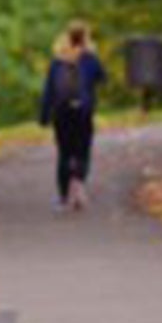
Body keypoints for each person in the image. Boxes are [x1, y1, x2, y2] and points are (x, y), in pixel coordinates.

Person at [38, 21, 106, 210]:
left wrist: (44, 116)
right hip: (83, 111)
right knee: (82, 150)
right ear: (85, 37)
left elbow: (48, 91)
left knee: (64, 153)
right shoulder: (90, 59)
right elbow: (102, 78)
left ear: (67, 37)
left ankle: (63, 197)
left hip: (61, 113)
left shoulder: (57, 61)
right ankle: (78, 180)